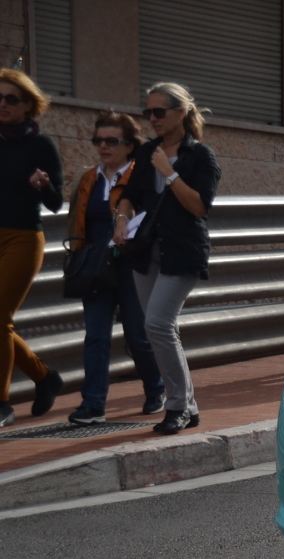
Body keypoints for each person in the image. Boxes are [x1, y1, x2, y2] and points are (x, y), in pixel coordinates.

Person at [114, 82, 220, 435]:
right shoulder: (147, 154)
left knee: (157, 325)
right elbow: (129, 195)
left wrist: (169, 172)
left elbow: (199, 206)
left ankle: (176, 406)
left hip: (183, 252)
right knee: (161, 330)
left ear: (181, 113)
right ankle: (187, 406)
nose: (152, 118)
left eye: (159, 112)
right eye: (148, 112)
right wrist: (121, 219)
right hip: (146, 252)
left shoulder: (200, 156)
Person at [65, 111, 165, 425]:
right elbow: (74, 220)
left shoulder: (141, 176)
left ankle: (156, 388)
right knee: (96, 336)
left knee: (138, 335)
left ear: (130, 145)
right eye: (98, 140)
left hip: (132, 264)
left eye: (112, 141)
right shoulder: (87, 179)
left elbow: (150, 218)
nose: (103, 147)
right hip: (95, 267)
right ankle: (93, 404)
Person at [0, 69, 63, 428]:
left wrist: (42, 185)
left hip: (22, 238)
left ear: (28, 105)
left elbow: (56, 203)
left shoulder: (42, 146)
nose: (3, 104)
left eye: (12, 98)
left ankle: (2, 403)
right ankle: (44, 377)